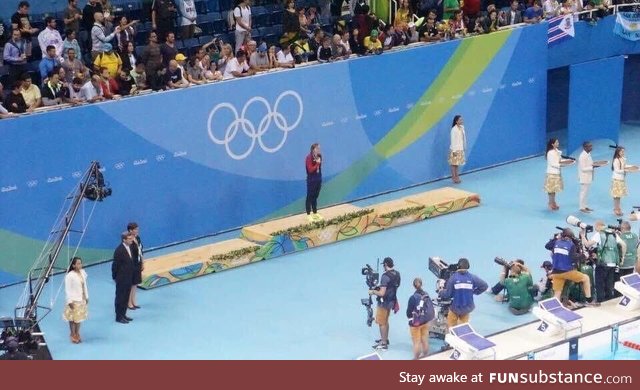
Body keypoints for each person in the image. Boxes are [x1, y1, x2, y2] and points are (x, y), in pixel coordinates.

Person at [545, 228, 599, 306]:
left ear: (562, 235)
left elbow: (547, 246)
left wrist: (556, 237)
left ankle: (554, 308)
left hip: (556, 273)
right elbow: (573, 259)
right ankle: (589, 301)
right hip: (567, 272)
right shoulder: (571, 245)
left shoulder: (556, 242)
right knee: (586, 278)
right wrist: (584, 256)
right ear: (571, 237)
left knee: (557, 293)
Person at [581, 221, 626, 302]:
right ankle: (609, 301)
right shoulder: (614, 233)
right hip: (613, 264)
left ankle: (601, 302)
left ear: (598, 226)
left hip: (603, 264)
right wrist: (622, 258)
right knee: (609, 285)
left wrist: (583, 236)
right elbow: (623, 245)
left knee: (600, 284)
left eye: (595, 228)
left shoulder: (599, 234)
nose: (595, 230)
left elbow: (587, 244)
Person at [438, 258, 488, 328]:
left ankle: (452, 334)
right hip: (467, 308)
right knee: (463, 327)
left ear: (458, 267)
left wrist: (441, 291)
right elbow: (485, 286)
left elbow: (448, 294)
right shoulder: (472, 277)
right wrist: (474, 292)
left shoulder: (453, 278)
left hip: (456, 308)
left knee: (451, 325)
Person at [368, 257, 401, 350]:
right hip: (392, 301)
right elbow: (392, 286)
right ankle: (385, 339)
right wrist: (382, 287)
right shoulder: (397, 274)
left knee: (381, 322)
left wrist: (373, 292)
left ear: (386, 265)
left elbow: (382, 293)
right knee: (386, 321)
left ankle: (383, 343)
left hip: (384, 303)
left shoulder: (385, 276)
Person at [406, 277, 434, 359]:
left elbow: (408, 312)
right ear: (422, 284)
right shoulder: (426, 294)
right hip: (425, 321)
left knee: (416, 342)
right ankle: (426, 356)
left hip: (416, 323)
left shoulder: (413, 298)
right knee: (425, 340)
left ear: (413, 286)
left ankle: (416, 359)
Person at [63, 256, 89, 343]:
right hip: (73, 300)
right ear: (73, 265)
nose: (80, 265)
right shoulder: (69, 276)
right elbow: (68, 289)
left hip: (81, 299)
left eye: (80, 263)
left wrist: (86, 297)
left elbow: (84, 285)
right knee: (72, 319)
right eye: (78, 263)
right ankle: (72, 334)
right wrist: (69, 301)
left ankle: (77, 333)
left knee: (79, 319)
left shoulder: (82, 272)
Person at [112, 231, 135, 324]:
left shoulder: (130, 248)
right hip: (121, 278)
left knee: (126, 297)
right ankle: (118, 317)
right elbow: (115, 265)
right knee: (120, 297)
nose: (131, 240)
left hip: (128, 277)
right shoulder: (119, 250)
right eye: (129, 239)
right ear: (124, 240)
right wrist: (115, 277)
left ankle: (123, 314)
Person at [544, 138, 573, 211]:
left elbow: (559, 160)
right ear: (552, 144)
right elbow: (553, 163)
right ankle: (550, 203)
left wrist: (567, 161)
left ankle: (553, 202)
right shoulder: (550, 153)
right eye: (556, 142)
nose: (558, 143)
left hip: (557, 173)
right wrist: (563, 165)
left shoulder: (556, 151)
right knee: (551, 190)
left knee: (554, 190)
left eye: (558, 142)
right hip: (551, 173)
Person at [127, 222, 144, 310]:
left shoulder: (138, 238)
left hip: (138, 263)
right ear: (130, 230)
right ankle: (129, 302)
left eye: (137, 229)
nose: (137, 231)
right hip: (131, 265)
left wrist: (142, 262)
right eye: (135, 229)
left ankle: (134, 301)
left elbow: (141, 251)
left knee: (135, 283)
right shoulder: (128, 240)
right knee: (131, 284)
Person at [305, 143, 323, 222]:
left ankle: (315, 213)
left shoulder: (319, 156)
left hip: (318, 179)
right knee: (309, 197)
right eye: (317, 148)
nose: (319, 149)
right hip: (311, 180)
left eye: (319, 148)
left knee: (315, 196)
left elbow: (319, 168)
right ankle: (308, 214)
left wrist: (320, 177)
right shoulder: (308, 158)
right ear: (313, 149)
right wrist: (317, 163)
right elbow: (310, 170)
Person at [611, 146, 630, 217]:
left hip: (621, 179)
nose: (623, 153)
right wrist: (625, 170)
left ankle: (618, 208)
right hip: (617, 180)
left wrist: (632, 167)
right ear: (618, 152)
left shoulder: (622, 159)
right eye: (622, 151)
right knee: (616, 196)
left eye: (623, 151)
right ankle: (616, 209)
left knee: (619, 196)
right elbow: (617, 170)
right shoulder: (616, 160)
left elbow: (624, 166)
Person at [578, 141, 595, 213]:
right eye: (589, 146)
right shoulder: (582, 156)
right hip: (584, 176)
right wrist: (593, 167)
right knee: (583, 192)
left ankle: (585, 206)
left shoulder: (588, 154)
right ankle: (581, 207)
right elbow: (583, 168)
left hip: (588, 176)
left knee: (586, 192)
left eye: (591, 146)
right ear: (585, 147)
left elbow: (590, 164)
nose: (591, 147)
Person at [449, 115, 466, 184]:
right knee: (453, 164)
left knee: (457, 164)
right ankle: (453, 177)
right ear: (456, 121)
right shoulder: (453, 129)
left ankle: (457, 176)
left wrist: (464, 147)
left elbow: (463, 138)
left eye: (462, 119)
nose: (462, 121)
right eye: (460, 120)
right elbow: (452, 140)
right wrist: (453, 150)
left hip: (460, 148)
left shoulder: (462, 128)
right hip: (455, 149)